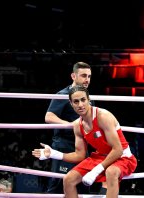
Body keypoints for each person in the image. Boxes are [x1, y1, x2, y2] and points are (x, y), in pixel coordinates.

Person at [33, 85, 137, 198]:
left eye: (83, 100)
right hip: (100, 157)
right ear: (71, 104)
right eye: (76, 102)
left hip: (122, 157)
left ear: (89, 100)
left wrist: (96, 171)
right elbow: (79, 155)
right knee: (68, 179)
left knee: (111, 172)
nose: (80, 105)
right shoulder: (78, 125)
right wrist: (54, 154)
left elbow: (118, 150)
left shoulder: (103, 116)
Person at [44, 61, 103, 194]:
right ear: (73, 76)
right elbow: (49, 116)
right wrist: (71, 125)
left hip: (83, 147)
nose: (87, 79)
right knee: (59, 185)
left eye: (89, 76)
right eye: (83, 75)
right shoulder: (63, 94)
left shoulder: (89, 98)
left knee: (82, 185)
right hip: (64, 145)